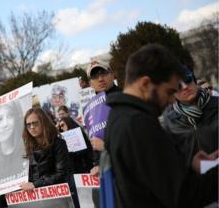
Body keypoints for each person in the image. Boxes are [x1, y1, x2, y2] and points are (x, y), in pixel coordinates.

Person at [104, 43, 218, 207]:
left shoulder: (121, 116)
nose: (172, 99)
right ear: (145, 84)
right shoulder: (136, 124)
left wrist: (188, 161)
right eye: (169, 91)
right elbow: (182, 195)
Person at [163, 67, 218, 167]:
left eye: (187, 79)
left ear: (194, 80)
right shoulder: (170, 120)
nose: (185, 87)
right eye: (178, 85)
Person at [86, 59, 122, 208]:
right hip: (106, 175)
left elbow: (136, 143)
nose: (100, 79)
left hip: (126, 175)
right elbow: (95, 141)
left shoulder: (124, 98)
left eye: (103, 73)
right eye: (95, 76)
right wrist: (96, 164)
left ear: (112, 74)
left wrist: (106, 146)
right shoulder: (89, 108)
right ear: (90, 83)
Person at [20, 107, 70, 191]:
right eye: (28, 125)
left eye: (35, 123)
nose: (32, 127)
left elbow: (61, 174)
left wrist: (35, 185)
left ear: (43, 123)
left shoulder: (58, 143)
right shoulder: (27, 147)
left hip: (56, 195)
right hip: (34, 196)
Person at [58, 116, 94, 208]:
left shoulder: (78, 133)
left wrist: (71, 153)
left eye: (62, 125)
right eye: (59, 126)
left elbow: (86, 150)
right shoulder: (61, 139)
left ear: (68, 123)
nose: (61, 128)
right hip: (72, 173)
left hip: (83, 170)